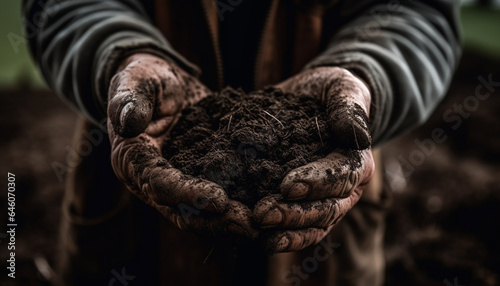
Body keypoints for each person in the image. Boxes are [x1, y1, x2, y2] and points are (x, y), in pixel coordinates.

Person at [23, 0, 461, 285]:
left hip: (327, 208)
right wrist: (119, 52)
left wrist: (366, 74)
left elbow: (421, 13)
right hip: (137, 196)